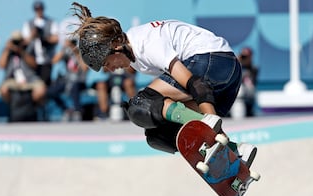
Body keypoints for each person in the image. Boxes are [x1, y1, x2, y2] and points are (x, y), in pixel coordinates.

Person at [71, 2, 257, 166]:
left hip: (214, 61)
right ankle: (237, 152)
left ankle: (216, 137)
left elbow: (196, 84)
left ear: (116, 44)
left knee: (140, 104)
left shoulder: (146, 43)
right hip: (226, 76)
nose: (110, 69)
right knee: (160, 136)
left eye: (106, 62)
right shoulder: (136, 58)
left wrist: (213, 126)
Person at [0, 30, 46, 119]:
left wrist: (22, 51)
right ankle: (14, 109)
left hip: (30, 79)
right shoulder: (7, 51)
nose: (16, 44)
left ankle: (33, 110)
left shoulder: (29, 48)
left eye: (18, 41)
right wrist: (7, 49)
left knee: (41, 90)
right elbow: (1, 65)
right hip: (12, 79)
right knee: (3, 89)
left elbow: (34, 65)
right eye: (15, 41)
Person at [48, 38, 89, 121]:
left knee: (74, 88)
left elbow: (85, 69)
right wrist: (64, 48)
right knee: (51, 92)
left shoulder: (84, 53)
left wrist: (77, 53)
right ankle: (66, 109)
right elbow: (54, 61)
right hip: (67, 80)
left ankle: (77, 111)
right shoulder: (67, 53)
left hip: (80, 81)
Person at [22, 0, 59, 87]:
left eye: (40, 9)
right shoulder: (28, 23)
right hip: (32, 59)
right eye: (37, 9)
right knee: (32, 83)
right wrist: (33, 35)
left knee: (45, 84)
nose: (39, 11)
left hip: (46, 59)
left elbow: (56, 39)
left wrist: (44, 37)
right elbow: (25, 41)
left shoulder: (51, 22)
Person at [237, 47, 258, 117]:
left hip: (248, 94)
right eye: (243, 56)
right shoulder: (236, 66)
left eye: (246, 57)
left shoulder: (253, 68)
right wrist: (237, 62)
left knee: (243, 89)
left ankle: (249, 110)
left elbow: (251, 83)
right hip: (235, 94)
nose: (244, 58)